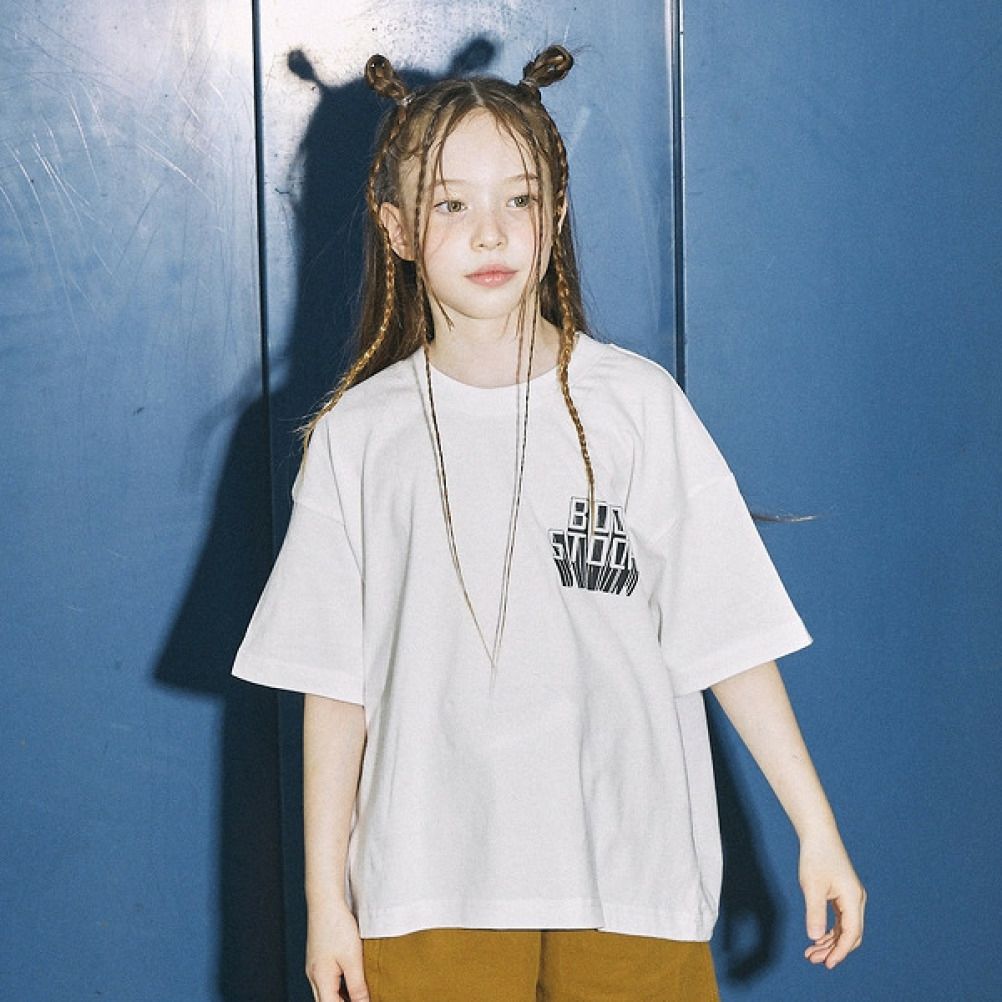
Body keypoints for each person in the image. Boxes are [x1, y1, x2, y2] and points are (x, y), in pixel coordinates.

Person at [232, 44, 865, 1002]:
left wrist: (816, 828)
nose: (490, 232)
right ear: (395, 227)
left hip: (633, 874)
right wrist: (328, 899)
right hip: (428, 886)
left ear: (556, 213)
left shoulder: (636, 405)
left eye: (518, 199)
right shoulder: (358, 436)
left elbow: (728, 634)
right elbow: (333, 686)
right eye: (451, 204)